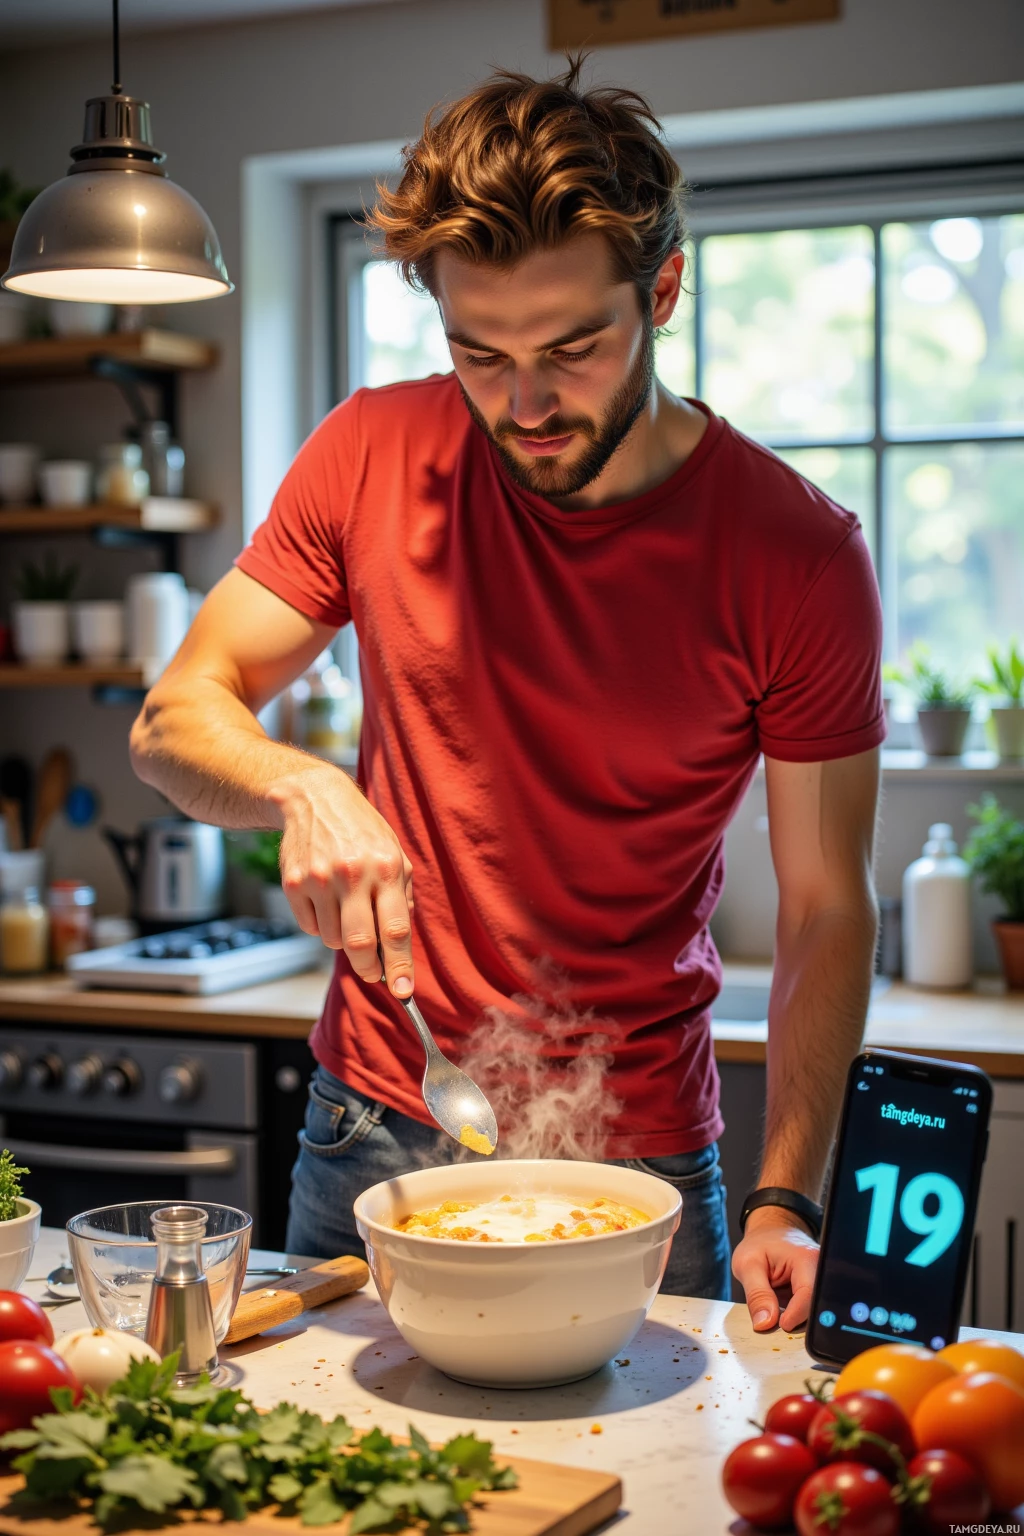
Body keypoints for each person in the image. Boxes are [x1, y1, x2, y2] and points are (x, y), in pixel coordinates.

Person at [130, 59, 883, 1332]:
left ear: (663, 291)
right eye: (478, 354)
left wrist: (785, 1198)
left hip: (638, 1157)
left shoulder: (795, 553)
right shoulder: (371, 451)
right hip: (373, 1124)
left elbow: (823, 909)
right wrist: (300, 785)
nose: (525, 405)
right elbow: (174, 722)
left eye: (572, 349)